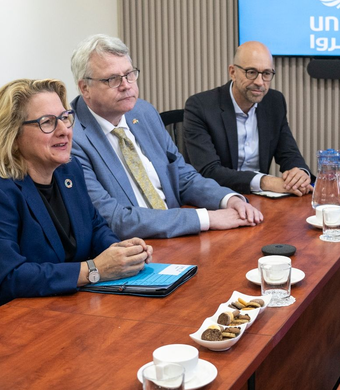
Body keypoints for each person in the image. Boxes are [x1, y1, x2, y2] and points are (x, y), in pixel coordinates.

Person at [69, 34, 264, 239]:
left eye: (129, 74)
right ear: (85, 88)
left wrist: (228, 199)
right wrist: (207, 219)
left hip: (178, 236)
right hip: (132, 247)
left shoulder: (143, 112)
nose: (126, 85)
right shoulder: (72, 139)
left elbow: (183, 176)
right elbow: (115, 219)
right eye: (112, 79)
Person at [0, 79, 153, 314]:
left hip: (72, 307)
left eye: (65, 117)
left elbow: (95, 227)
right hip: (16, 319)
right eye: (47, 122)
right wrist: (94, 270)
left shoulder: (69, 170)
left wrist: (121, 252)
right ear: (12, 136)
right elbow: (9, 277)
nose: (64, 130)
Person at [184, 41, 312, 196]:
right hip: (216, 197)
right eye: (251, 72)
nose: (259, 82)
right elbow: (208, 171)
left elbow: (289, 153)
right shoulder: (200, 106)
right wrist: (265, 181)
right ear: (233, 72)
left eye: (266, 74)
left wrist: (299, 173)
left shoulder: (274, 102)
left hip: (260, 198)